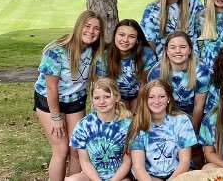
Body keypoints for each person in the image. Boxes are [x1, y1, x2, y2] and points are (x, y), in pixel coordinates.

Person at [34, 10, 105, 180]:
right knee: (61, 148)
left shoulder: (97, 52)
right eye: (87, 26)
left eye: (96, 28)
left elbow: (101, 81)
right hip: (49, 99)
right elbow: (51, 87)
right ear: (79, 26)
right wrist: (56, 117)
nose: (91, 31)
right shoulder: (57, 50)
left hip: (75, 100)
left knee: (76, 147)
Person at [127, 79, 198, 180]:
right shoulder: (138, 124)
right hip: (150, 175)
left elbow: (185, 160)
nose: (156, 101)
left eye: (162, 97)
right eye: (151, 97)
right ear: (145, 100)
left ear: (168, 98)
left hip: (179, 173)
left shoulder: (181, 120)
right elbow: (139, 167)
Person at [66, 78, 133, 181]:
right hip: (91, 175)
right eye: (97, 98)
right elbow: (85, 161)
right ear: (92, 99)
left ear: (117, 97)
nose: (101, 102)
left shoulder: (127, 126)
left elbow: (127, 161)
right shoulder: (84, 125)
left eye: (107, 97)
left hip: (120, 176)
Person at [147, 31, 209, 133]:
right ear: (166, 50)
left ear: (190, 50)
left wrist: (191, 132)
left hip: (191, 114)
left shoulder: (201, 72)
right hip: (166, 113)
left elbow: (199, 105)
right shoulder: (156, 72)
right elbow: (154, 103)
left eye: (183, 47)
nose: (178, 51)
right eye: (173, 47)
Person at [141, 0, 205, 56]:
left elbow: (201, 29)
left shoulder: (193, 1)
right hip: (164, 60)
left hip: (191, 58)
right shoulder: (152, 9)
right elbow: (149, 41)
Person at [103, 19, 157, 110]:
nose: (125, 40)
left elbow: (145, 84)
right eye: (121, 35)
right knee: (123, 117)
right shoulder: (104, 56)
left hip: (139, 93)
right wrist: (118, 101)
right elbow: (103, 85)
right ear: (115, 36)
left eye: (131, 36)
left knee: (136, 119)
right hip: (115, 94)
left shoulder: (146, 54)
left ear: (137, 40)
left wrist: (137, 111)